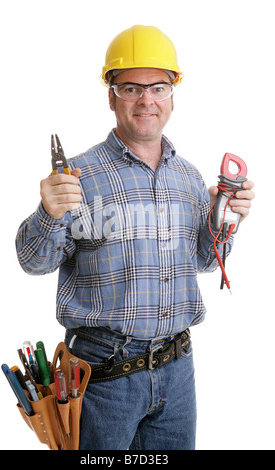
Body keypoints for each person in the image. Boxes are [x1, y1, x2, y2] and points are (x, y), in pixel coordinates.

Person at [16, 25, 255, 450]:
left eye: (158, 87)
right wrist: (48, 213)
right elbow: (33, 262)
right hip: (103, 379)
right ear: (111, 96)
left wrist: (225, 220)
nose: (146, 100)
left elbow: (203, 260)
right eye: (130, 87)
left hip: (178, 373)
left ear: (172, 96)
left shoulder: (189, 178)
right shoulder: (76, 175)